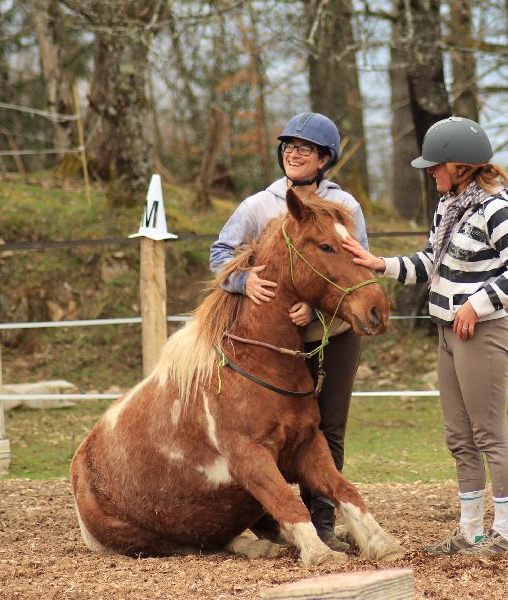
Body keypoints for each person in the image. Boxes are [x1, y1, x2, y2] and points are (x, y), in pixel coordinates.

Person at [343, 116, 508, 557]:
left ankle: (505, 536)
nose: (430, 172)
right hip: (448, 332)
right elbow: (430, 264)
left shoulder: (494, 208)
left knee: (489, 434)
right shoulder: (450, 207)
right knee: (459, 437)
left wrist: (477, 304)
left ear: (461, 165)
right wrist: (379, 264)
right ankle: (470, 533)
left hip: (481, 333)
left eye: (436, 165)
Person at [209, 112, 368, 552]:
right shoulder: (259, 205)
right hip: (271, 342)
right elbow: (219, 253)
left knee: (327, 426)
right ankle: (268, 517)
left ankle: (322, 521)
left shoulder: (346, 207)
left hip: (329, 332)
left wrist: (316, 312)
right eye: (288, 147)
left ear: (324, 158)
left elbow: (356, 269)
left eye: (304, 148)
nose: (293, 154)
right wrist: (244, 281)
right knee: (264, 429)